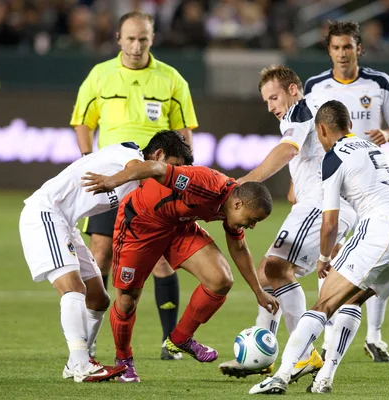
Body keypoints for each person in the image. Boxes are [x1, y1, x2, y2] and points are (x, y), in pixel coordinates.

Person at [249, 100, 389, 395]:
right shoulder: (376, 150)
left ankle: (280, 376)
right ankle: (324, 380)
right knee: (352, 300)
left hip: (382, 230)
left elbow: (329, 222)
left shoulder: (333, 158)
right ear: (350, 126)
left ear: (320, 130)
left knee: (323, 304)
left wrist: (322, 258)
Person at [70, 10, 198, 360]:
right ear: (118, 39)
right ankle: (88, 343)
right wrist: (86, 157)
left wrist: (182, 178)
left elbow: (184, 134)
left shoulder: (172, 80)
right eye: (130, 39)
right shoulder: (100, 76)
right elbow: (83, 122)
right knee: (100, 255)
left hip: (152, 181)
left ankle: (169, 342)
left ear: (152, 39)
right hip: (111, 177)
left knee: (160, 260)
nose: (136, 46)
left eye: (143, 39)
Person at [19, 130, 193, 382]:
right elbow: (137, 168)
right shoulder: (128, 155)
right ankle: (80, 363)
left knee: (98, 299)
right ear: (157, 155)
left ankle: (79, 360)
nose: (171, 174)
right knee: (73, 288)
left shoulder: (137, 184)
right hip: (46, 213)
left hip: (66, 224)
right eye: (173, 166)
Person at [218, 65, 357, 381]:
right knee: (268, 274)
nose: (271, 107)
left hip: (322, 204)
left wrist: (246, 181)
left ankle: (304, 354)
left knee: (277, 268)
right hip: (319, 203)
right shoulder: (309, 115)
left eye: (274, 97)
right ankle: (261, 355)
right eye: (266, 101)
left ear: (293, 90)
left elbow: (287, 149)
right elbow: (307, 156)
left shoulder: (300, 110)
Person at [81, 163, 280, 383]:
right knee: (127, 300)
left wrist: (258, 291)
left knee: (220, 279)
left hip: (178, 227)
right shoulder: (205, 184)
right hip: (141, 223)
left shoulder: (233, 207)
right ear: (238, 203)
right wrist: (114, 180)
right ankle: (124, 360)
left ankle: (180, 338)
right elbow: (156, 168)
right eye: (253, 219)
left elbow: (239, 248)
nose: (252, 226)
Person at [304, 20, 389, 362]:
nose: (342, 54)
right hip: (333, 180)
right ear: (329, 51)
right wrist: (296, 180)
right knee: (330, 253)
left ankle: (375, 337)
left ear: (359, 49)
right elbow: (308, 137)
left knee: (378, 256)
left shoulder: (379, 83)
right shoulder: (315, 86)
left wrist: (388, 135)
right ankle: (328, 333)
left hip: (369, 186)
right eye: (336, 48)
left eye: (348, 47)